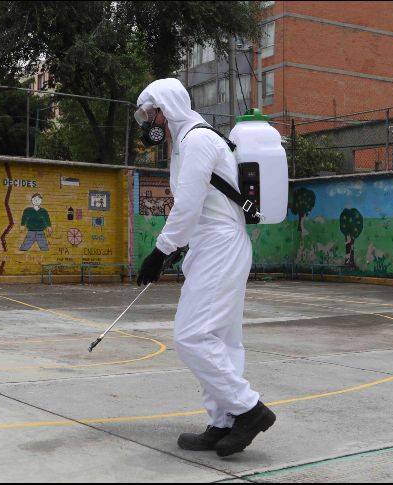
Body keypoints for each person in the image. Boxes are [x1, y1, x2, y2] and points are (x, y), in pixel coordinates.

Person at [135, 78, 275, 457]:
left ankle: (249, 409)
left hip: (220, 244)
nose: (150, 121)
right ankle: (223, 421)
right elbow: (203, 205)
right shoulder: (186, 144)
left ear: (168, 108)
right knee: (221, 340)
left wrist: (161, 250)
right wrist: (180, 247)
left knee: (191, 335)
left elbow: (189, 205)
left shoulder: (197, 140)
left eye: (152, 112)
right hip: (211, 243)